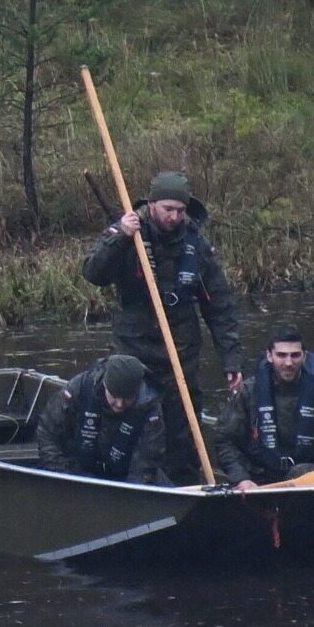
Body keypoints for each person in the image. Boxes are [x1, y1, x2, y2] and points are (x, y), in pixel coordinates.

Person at [80, 169, 242, 480]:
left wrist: (231, 359)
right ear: (152, 204)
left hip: (180, 352)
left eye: (180, 211)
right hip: (134, 349)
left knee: (182, 427)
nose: (174, 217)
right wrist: (121, 236)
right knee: (132, 418)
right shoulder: (128, 233)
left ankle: (185, 485)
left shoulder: (196, 245)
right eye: (168, 209)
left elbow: (220, 306)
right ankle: (126, 481)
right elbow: (93, 273)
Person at [211, 324, 314, 491]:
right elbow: (224, 440)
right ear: (269, 356)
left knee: (303, 471)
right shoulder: (247, 393)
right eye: (281, 355)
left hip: (310, 480)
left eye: (295, 355)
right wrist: (241, 479)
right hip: (257, 482)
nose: (288, 363)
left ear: (304, 357)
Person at [36, 353, 167, 482]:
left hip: (126, 475)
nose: (120, 404)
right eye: (115, 396)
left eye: (127, 398)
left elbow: (147, 461)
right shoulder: (78, 389)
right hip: (76, 472)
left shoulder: (150, 409)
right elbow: (48, 434)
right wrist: (68, 476)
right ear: (105, 386)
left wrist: (130, 493)